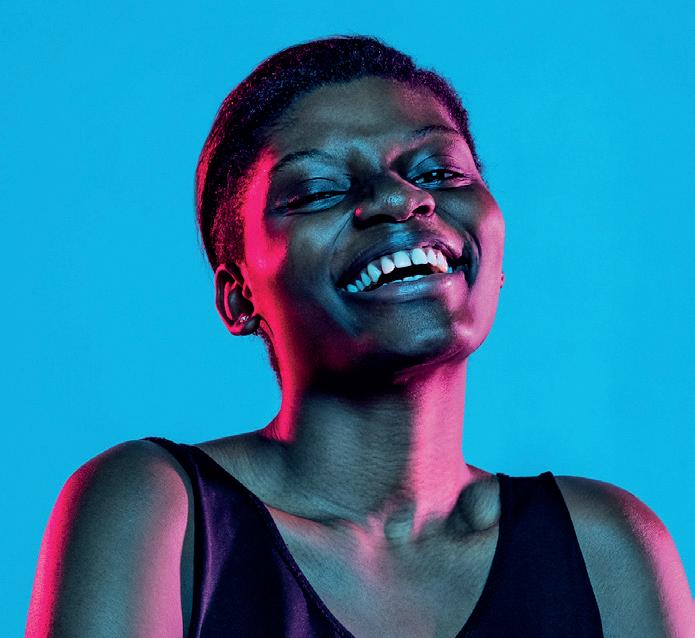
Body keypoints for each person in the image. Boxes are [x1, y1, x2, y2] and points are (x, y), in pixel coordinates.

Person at [27, 35, 693, 638]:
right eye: (318, 190)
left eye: (438, 173)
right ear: (238, 296)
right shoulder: (160, 511)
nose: (400, 199)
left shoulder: (603, 548)